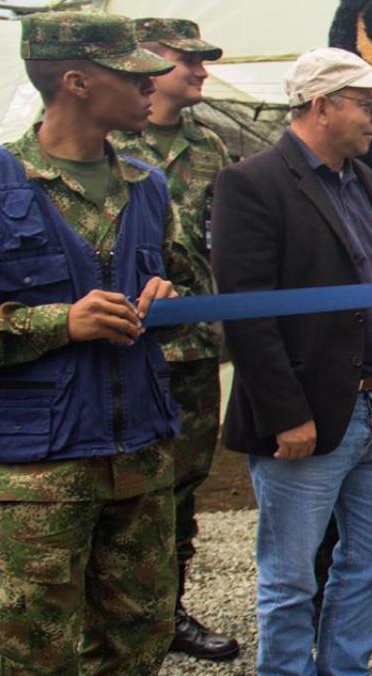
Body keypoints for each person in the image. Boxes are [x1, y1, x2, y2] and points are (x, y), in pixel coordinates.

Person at [211, 48, 372, 675]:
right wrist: (286, 414)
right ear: (321, 105)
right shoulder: (251, 183)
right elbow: (247, 314)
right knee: (290, 575)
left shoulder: (366, 181)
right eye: (367, 104)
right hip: (308, 414)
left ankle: (344, 667)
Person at [0, 12, 186, 674]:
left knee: (140, 643)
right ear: (77, 82)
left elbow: (182, 284)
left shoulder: (148, 184)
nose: (151, 85)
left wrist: (171, 302)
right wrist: (61, 322)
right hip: (39, 476)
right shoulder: (3, 184)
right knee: (35, 655)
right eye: (133, 75)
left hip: (142, 457)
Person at [107, 16, 239, 662]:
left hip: (191, 347)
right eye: (189, 60)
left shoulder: (208, 145)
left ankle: (169, 613)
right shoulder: (105, 140)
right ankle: (107, 619)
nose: (201, 71)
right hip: (118, 349)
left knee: (184, 485)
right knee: (118, 489)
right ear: (148, 61)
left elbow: (221, 243)